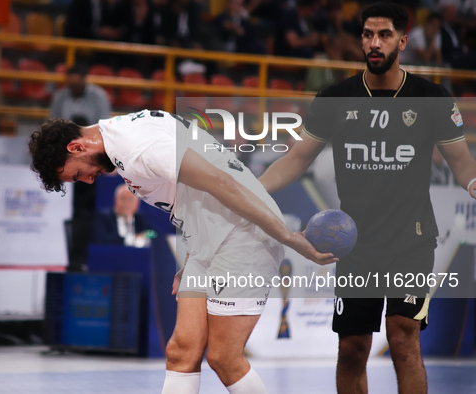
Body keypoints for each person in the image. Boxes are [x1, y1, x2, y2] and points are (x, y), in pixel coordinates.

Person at [28, 109, 336, 393]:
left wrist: (288, 237)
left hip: (243, 232)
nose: (88, 180)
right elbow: (194, 200)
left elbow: (221, 182)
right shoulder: (118, 134)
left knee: (224, 358)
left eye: (78, 174)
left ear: (76, 148)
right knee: (181, 352)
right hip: (207, 240)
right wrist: (189, 259)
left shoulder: (137, 148)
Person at [258, 3, 476, 393]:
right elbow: (296, 158)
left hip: (412, 239)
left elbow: (462, 165)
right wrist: (250, 191)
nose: (374, 43)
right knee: (353, 348)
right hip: (356, 243)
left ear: (403, 41)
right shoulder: (335, 99)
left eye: (385, 35)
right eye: (367, 35)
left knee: (403, 338)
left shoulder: (431, 98)